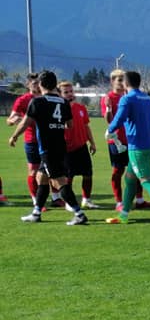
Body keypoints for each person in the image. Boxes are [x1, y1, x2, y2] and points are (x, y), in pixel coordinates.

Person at [8, 70, 88, 225]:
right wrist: (56, 124)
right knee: (41, 178)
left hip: (47, 148)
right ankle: (36, 213)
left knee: (59, 181)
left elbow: (25, 122)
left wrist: (14, 136)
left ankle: (79, 214)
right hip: (60, 146)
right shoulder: (63, 102)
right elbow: (69, 125)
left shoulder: (37, 102)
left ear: (41, 84)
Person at [104, 71, 150, 227]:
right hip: (149, 144)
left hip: (137, 146)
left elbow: (119, 118)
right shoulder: (146, 98)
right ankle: (124, 214)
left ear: (125, 83)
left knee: (146, 181)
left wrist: (109, 130)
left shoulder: (127, 99)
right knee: (130, 179)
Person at [101, 69, 145, 210]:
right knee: (118, 171)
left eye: (123, 80)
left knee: (137, 171)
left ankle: (140, 200)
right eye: (119, 80)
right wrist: (108, 108)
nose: (122, 83)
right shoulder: (108, 98)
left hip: (132, 140)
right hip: (117, 141)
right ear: (112, 81)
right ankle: (119, 202)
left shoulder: (129, 96)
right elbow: (109, 121)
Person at [59, 80, 99, 209]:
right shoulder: (58, 110)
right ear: (60, 94)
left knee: (88, 174)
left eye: (71, 91)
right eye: (66, 92)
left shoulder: (81, 108)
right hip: (66, 148)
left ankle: (86, 200)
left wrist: (92, 143)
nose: (70, 94)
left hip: (82, 147)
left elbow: (86, 126)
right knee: (68, 177)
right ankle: (69, 202)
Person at [7, 72, 43, 205]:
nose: (37, 85)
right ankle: (36, 201)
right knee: (33, 170)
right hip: (32, 139)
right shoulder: (23, 100)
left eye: (39, 83)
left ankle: (56, 198)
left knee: (52, 170)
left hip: (48, 139)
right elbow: (10, 120)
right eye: (34, 83)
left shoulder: (47, 97)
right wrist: (15, 120)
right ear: (28, 85)